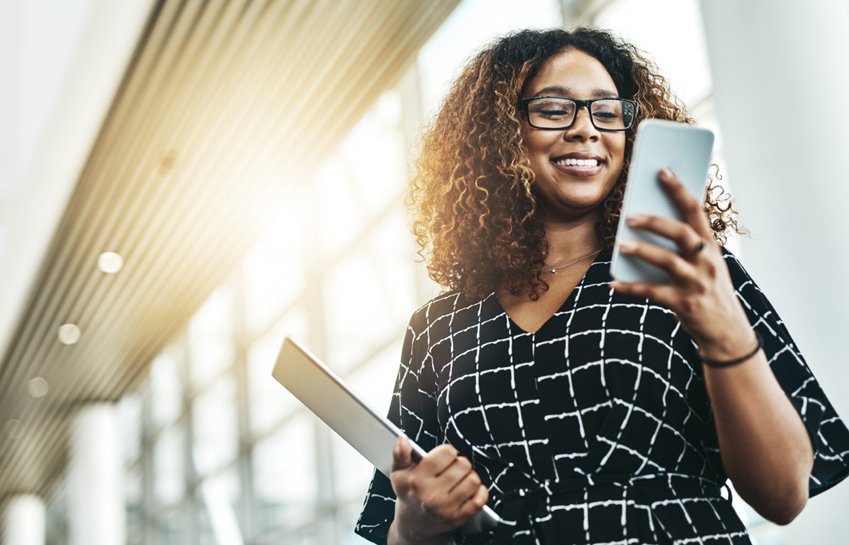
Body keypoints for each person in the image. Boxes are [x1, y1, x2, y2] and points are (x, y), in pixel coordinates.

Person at [355, 27, 849, 545]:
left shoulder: (688, 272)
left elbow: (785, 494)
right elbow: (398, 515)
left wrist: (724, 332)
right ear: (501, 131)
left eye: (607, 112)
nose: (586, 130)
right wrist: (411, 528)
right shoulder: (437, 329)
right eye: (553, 109)